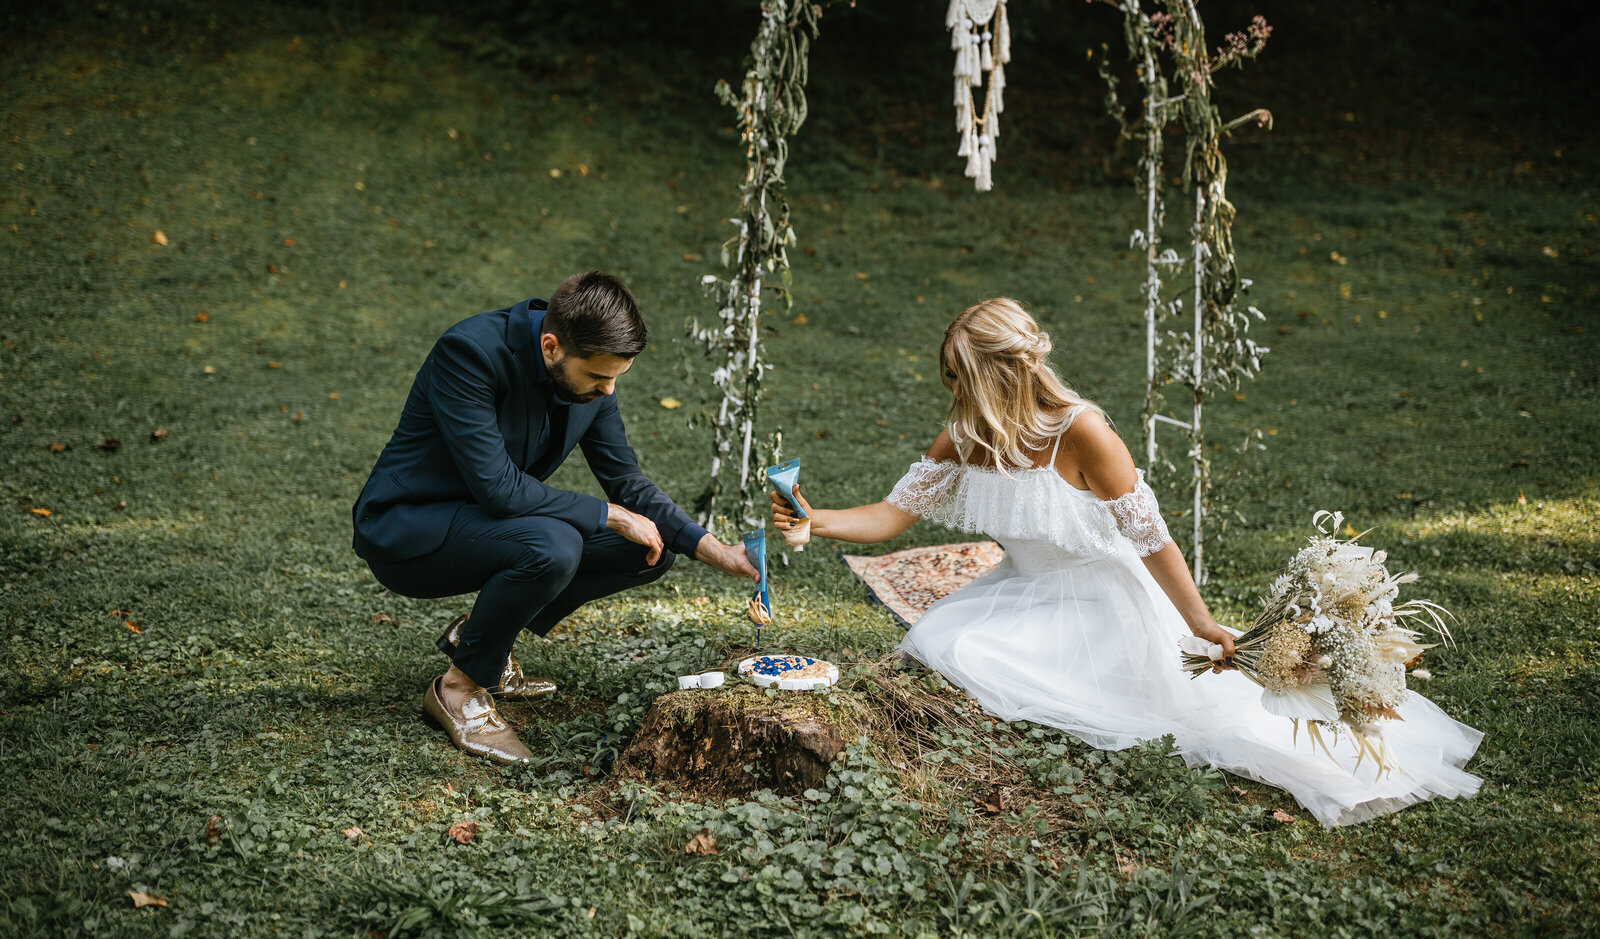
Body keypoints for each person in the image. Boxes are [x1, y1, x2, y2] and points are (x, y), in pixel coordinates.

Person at [770, 297, 1481, 826]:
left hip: (1102, 603)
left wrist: (1201, 624)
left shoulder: (1085, 433)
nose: (950, 392)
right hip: (1017, 590)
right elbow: (893, 513)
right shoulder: (966, 433)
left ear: (995, 375)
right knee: (938, 640)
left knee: (985, 661)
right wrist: (817, 517)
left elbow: (1153, 541)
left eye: (959, 377)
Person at [354, 271, 758, 764]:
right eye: (598, 377)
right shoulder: (469, 354)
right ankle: (458, 690)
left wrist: (712, 548)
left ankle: (480, 637)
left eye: (616, 378)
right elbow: (499, 489)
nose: (608, 392)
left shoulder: (589, 373)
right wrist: (607, 514)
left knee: (648, 549)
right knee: (553, 545)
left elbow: (626, 481)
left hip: (485, 523)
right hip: (408, 530)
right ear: (550, 347)